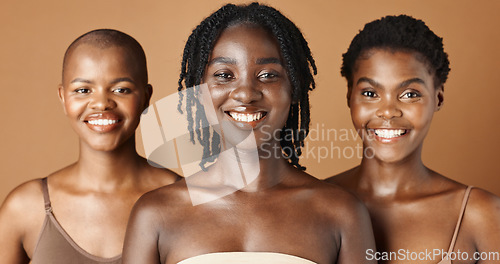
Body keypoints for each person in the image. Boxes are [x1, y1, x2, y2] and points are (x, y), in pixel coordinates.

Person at [122, 3, 375, 264]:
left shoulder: (342, 213)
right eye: (224, 75)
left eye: (267, 75)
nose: (245, 93)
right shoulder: (154, 214)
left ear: (295, 88)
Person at [325, 15, 500, 263]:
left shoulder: (481, 214)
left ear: (438, 99)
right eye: (370, 93)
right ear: (350, 97)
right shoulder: (315, 203)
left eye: (409, 94)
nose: (388, 111)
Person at [0, 29, 179, 263]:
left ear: (146, 97)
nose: (102, 104)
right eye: (83, 90)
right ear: (63, 98)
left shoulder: (180, 202)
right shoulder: (25, 208)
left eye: (121, 89)